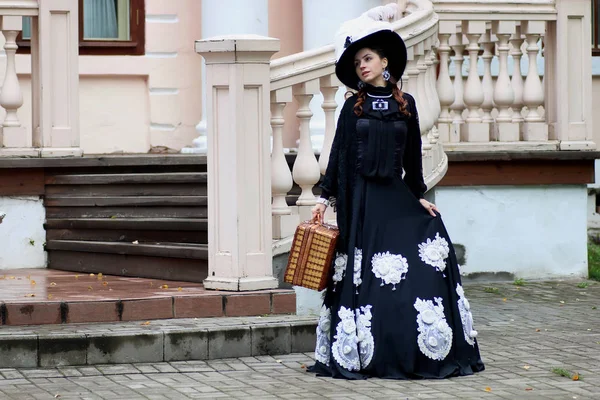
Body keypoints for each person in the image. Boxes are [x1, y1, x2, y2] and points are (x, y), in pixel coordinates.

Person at [307, 9, 485, 380]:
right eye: (357, 62)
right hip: (360, 203)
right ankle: (367, 352)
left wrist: (420, 194)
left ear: (385, 62)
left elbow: (411, 156)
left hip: (394, 195)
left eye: (368, 59)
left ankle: (414, 346)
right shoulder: (351, 107)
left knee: (429, 249)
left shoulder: (407, 105)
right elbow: (338, 156)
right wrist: (326, 200)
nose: (362, 67)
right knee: (366, 278)